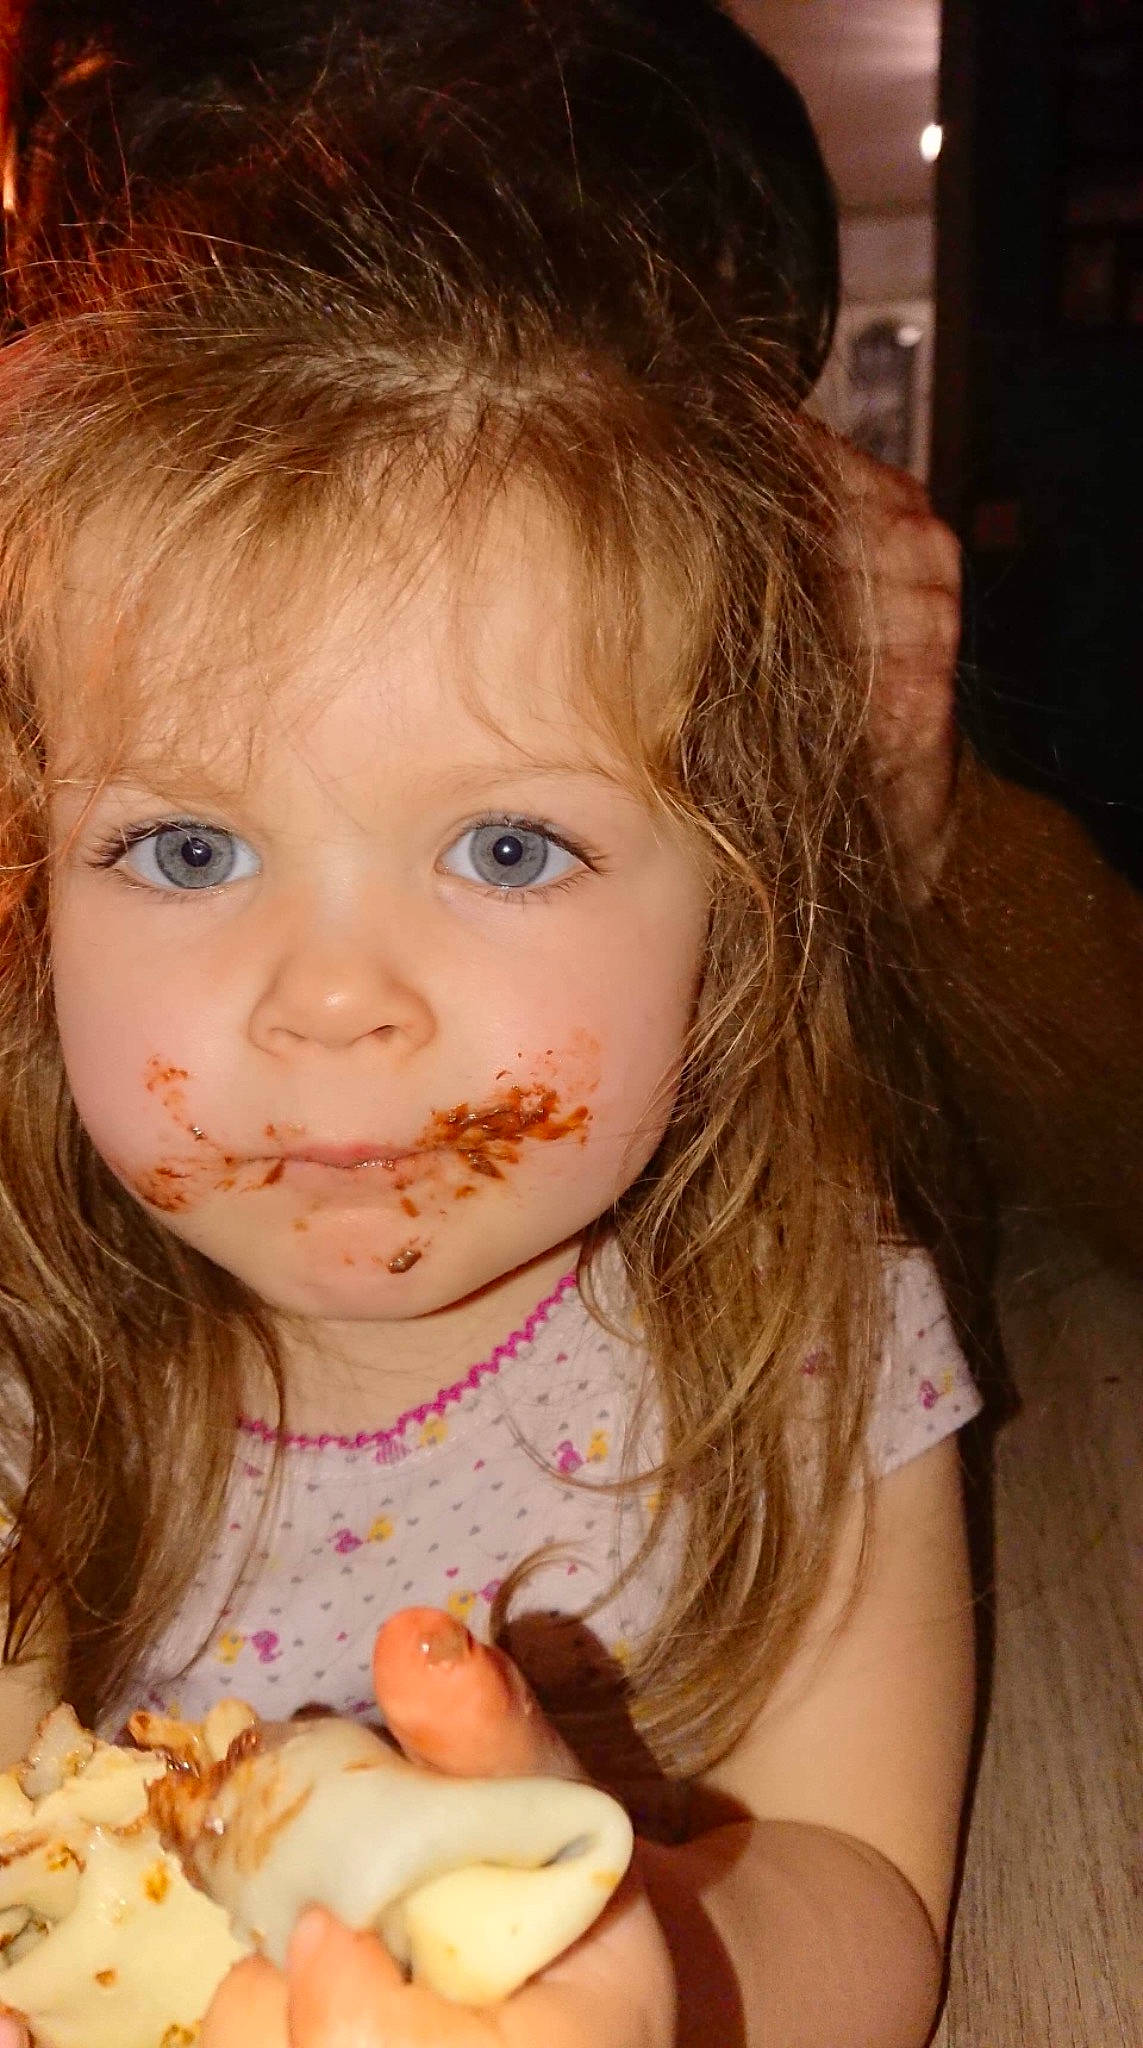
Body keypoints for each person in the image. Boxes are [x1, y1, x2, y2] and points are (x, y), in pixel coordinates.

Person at [0, 6, 990, 2046]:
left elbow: (860, 1881)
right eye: (184, 850)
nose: (335, 996)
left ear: (741, 906)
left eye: (511, 850)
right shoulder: (28, 1342)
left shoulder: (801, 1341)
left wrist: (639, 1977)